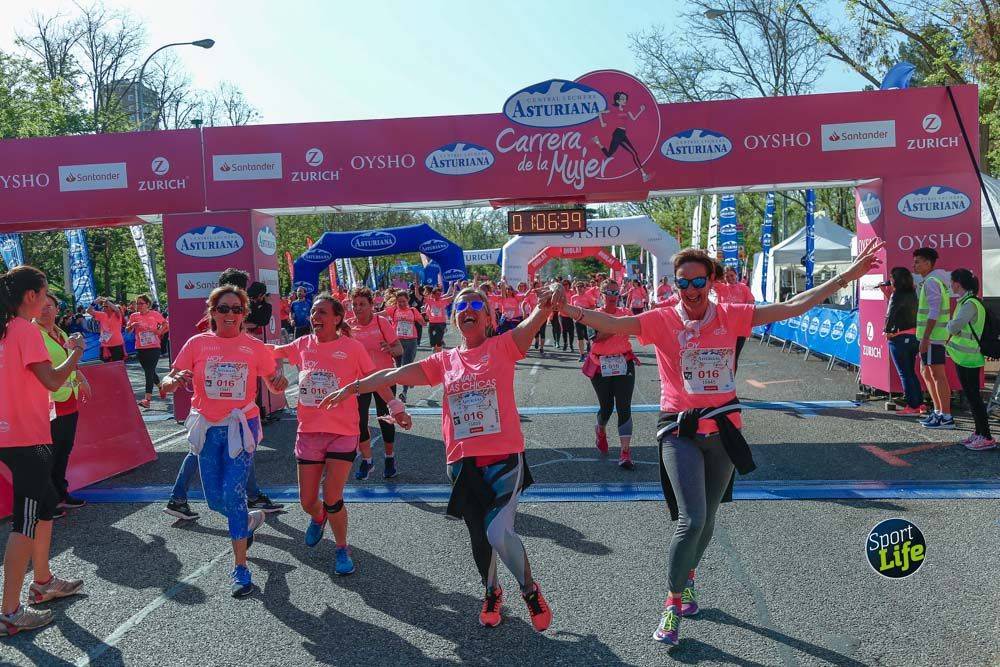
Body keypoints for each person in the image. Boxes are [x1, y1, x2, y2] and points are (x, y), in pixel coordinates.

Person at [551, 242, 883, 646]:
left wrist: (847, 276)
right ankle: (671, 604)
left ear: (710, 282)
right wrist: (569, 310)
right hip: (679, 430)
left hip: (723, 429)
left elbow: (793, 306)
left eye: (697, 281)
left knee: (707, 520)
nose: (690, 290)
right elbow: (614, 323)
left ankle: (688, 577)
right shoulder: (660, 320)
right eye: (682, 282)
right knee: (690, 519)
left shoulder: (731, 315)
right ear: (674, 285)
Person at [320, 286, 554, 632]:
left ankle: (529, 590)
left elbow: (534, 321)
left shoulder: (502, 346)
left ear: (489, 318)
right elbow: (393, 375)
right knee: (478, 535)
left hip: (504, 458)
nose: (468, 309)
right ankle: (491, 592)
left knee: (498, 531)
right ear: (455, 318)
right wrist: (352, 388)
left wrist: (547, 305)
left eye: (477, 305)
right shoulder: (444, 361)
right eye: (462, 305)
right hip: (461, 462)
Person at [159, 286, 288, 597]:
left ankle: (241, 567)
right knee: (216, 501)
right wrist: (170, 382)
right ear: (212, 312)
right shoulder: (197, 344)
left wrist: (279, 380)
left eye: (236, 309)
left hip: (241, 426)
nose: (230, 314)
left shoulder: (254, 347)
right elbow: (167, 380)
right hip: (207, 428)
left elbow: (274, 380)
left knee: (233, 492)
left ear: (244, 313)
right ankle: (250, 520)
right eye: (223, 308)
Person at [272, 294, 409, 575]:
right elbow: (272, 352)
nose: (315, 317)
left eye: (322, 312)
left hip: (342, 432)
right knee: (307, 501)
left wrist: (395, 406)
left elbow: (376, 380)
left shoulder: (352, 347)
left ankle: (341, 547)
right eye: (313, 312)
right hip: (309, 431)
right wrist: (240, 346)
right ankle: (318, 516)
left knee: (333, 496)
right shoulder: (302, 344)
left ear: (337, 318)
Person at [0, 266, 86, 636]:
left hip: (10, 433)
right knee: (26, 522)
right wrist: (76, 353)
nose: (50, 301)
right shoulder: (24, 329)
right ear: (32, 296)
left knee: (47, 505)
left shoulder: (6, 330)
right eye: (47, 293)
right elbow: (52, 380)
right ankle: (9, 611)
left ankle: (43, 581)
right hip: (26, 438)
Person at [35, 294, 92, 515]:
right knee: (48, 453)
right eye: (40, 306)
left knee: (63, 452)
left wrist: (82, 379)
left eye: (49, 306)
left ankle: (60, 494)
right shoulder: (33, 334)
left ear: (58, 309)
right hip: (46, 403)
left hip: (68, 401)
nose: (44, 310)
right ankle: (47, 501)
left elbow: (69, 364)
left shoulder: (61, 333)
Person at [348, 287, 404, 480]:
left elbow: (399, 349)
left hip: (383, 377)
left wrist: (390, 348)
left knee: (385, 419)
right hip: (360, 380)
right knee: (359, 422)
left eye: (362, 304)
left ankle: (390, 458)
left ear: (372, 305)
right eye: (354, 304)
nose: (358, 308)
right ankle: (368, 460)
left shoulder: (382, 322)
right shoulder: (348, 326)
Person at [582, 279, 638, 469]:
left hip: (624, 363)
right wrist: (616, 326)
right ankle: (601, 430)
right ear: (601, 294)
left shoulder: (626, 313)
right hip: (600, 365)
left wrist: (611, 326)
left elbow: (638, 328)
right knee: (606, 407)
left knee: (624, 407)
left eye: (616, 293)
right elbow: (596, 337)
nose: (613, 297)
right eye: (609, 293)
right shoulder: (593, 315)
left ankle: (625, 452)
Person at [946, 269, 995, 450]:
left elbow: (953, 327)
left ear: (958, 283)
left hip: (970, 357)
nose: (950, 285)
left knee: (974, 398)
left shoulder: (969, 304)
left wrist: (950, 325)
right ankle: (979, 433)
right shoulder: (968, 302)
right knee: (971, 397)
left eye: (951, 282)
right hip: (966, 356)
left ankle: (987, 437)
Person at [912, 247, 954, 429]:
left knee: (937, 375)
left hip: (933, 338)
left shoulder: (931, 281)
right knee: (927, 373)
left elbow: (934, 311)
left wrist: (926, 338)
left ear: (928, 263)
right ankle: (938, 412)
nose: (914, 265)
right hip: (932, 337)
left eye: (918, 262)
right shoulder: (933, 280)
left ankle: (945, 416)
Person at [881, 267, 922, 415]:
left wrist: (887, 331)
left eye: (891, 277)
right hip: (913, 336)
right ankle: (919, 403)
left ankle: (912, 405)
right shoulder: (911, 292)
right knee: (911, 372)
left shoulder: (897, 294)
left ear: (895, 279)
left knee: (905, 373)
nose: (889, 279)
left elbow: (891, 314)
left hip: (899, 337)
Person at [127, 294, 166, 409]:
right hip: (140, 348)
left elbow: (165, 324)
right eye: (137, 303)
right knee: (150, 372)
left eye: (141, 303)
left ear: (147, 304)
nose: (138, 305)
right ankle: (161, 387)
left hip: (154, 347)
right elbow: (128, 330)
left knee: (148, 373)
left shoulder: (155, 314)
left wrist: (159, 331)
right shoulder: (134, 316)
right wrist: (132, 326)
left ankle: (147, 400)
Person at [385, 290, 419, 402]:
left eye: (403, 301)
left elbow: (423, 321)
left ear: (408, 300)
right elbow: (379, 315)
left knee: (405, 366)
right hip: (397, 341)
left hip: (410, 341)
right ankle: (409, 380)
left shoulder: (413, 310)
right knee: (399, 367)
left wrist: (424, 318)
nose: (401, 304)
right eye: (399, 302)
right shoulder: (393, 310)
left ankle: (404, 392)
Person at [88, 296, 125, 362]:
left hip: (117, 345)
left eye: (106, 306)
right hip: (105, 345)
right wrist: (94, 303)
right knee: (106, 367)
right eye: (103, 306)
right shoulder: (102, 315)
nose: (104, 308)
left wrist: (107, 301)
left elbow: (116, 309)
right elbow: (89, 311)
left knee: (117, 367)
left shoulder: (117, 314)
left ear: (111, 307)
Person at [423, 284, 456, 354]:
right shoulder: (430, 301)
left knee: (439, 340)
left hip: (441, 323)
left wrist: (455, 287)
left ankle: (439, 353)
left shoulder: (443, 300)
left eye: (440, 294)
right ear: (433, 294)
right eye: (437, 294)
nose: (439, 296)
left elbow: (453, 297)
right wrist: (417, 287)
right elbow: (419, 296)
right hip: (432, 323)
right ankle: (436, 351)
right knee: (432, 340)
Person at [569, 281, 596, 361]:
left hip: (587, 319)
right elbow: (571, 308)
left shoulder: (588, 296)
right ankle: (582, 354)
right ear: (575, 288)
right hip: (577, 320)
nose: (579, 288)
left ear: (584, 288)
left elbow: (593, 306)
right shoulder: (573, 297)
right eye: (578, 287)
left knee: (588, 336)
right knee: (580, 337)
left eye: (581, 286)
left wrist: (585, 310)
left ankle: (588, 343)